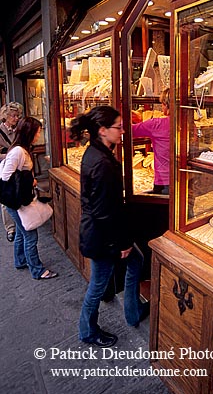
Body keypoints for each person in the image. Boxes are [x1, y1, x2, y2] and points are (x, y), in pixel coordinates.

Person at [70, 105, 149, 348]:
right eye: (118, 127)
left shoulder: (96, 152)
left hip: (100, 231)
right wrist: (121, 244)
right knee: (98, 285)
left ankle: (133, 311)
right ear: (103, 130)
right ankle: (87, 330)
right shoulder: (102, 163)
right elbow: (105, 212)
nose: (123, 131)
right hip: (102, 236)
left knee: (136, 261)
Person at [0, 116, 58, 280]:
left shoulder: (21, 149)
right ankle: (38, 270)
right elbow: (5, 177)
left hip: (16, 201)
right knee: (30, 235)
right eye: (37, 132)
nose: (39, 135)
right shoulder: (18, 151)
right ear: (29, 133)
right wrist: (29, 180)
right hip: (16, 201)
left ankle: (20, 260)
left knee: (21, 232)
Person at [132, 87, 170, 194]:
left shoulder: (156, 124)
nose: (162, 107)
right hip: (185, 179)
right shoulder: (189, 123)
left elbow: (130, 131)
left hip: (163, 181)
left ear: (166, 105)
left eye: (162, 104)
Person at [0, 102, 23, 242]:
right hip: (4, 168)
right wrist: (9, 156)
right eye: (13, 116)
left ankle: (20, 221)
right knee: (5, 198)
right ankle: (10, 228)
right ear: (6, 116)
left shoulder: (18, 130)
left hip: (18, 168)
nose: (16, 118)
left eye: (17, 116)